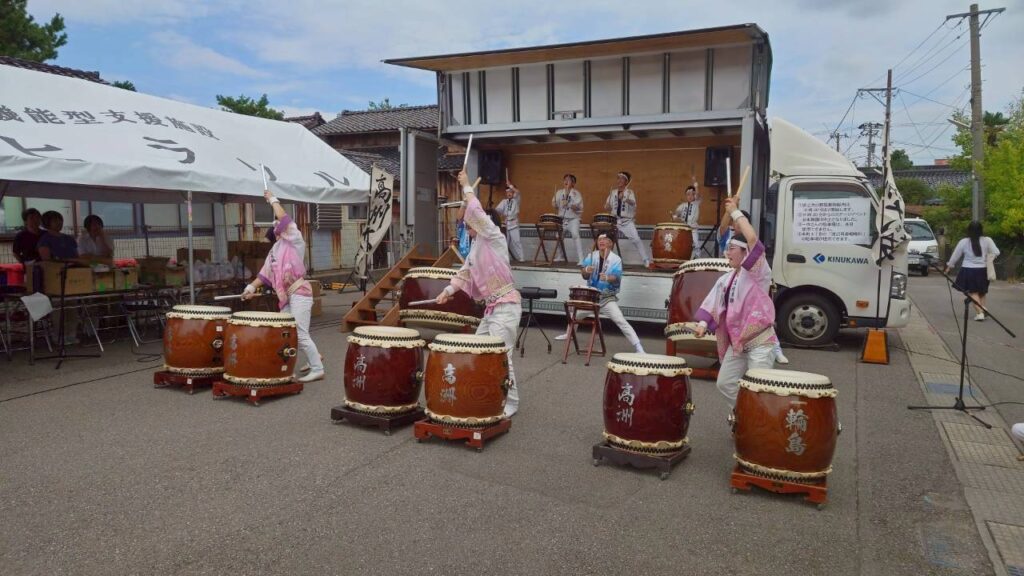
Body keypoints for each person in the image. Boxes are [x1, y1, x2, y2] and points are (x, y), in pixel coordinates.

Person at [436, 170, 523, 417]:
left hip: (506, 306)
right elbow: (465, 273)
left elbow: (478, 213)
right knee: (478, 348)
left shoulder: (495, 238)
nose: (466, 225)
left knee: (501, 354)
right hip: (492, 308)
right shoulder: (476, 247)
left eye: (468, 222)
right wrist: (447, 291)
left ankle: (511, 401)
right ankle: (486, 393)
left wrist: (466, 186)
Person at [693, 195, 778, 408]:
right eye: (728, 248)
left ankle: (758, 422)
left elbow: (752, 239)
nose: (727, 252)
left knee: (759, 390)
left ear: (745, 253)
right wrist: (702, 324)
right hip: (738, 343)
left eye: (731, 249)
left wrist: (735, 212)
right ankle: (744, 415)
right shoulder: (726, 279)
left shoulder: (758, 273)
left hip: (759, 342)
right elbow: (713, 303)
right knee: (725, 383)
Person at [242, 189, 324, 383]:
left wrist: (272, 199)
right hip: (286, 296)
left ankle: (317, 368)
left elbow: (283, 217)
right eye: (277, 227)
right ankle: (293, 365)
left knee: (299, 333)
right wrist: (250, 288)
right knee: (286, 333)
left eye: (280, 225)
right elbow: (264, 274)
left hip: (300, 292)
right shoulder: (274, 251)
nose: (279, 227)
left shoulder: (295, 241)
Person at [717, 204, 788, 364]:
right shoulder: (729, 237)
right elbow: (722, 227)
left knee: (757, 313)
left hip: (749, 285)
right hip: (730, 282)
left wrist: (735, 211)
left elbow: (753, 240)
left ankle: (775, 348)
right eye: (735, 222)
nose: (737, 225)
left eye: (740, 222)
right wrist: (730, 211)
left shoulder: (750, 248)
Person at [555, 233, 646, 354]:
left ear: (611, 243)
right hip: (591, 297)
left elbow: (617, 277)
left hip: (606, 298)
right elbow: (584, 274)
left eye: (604, 239)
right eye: (599, 239)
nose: (601, 241)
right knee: (574, 316)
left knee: (620, 320)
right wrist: (586, 270)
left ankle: (638, 347)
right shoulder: (592, 256)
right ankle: (569, 334)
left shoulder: (616, 259)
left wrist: (608, 277)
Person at [945, 221, 1000, 321]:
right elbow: (996, 252)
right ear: (981, 230)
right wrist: (988, 258)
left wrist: (949, 267)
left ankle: (980, 313)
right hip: (983, 270)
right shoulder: (987, 240)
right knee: (982, 292)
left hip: (968, 270)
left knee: (972, 292)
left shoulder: (964, 242)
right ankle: (983, 309)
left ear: (969, 230)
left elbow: (955, 255)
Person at [604, 171, 651, 268]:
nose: (619, 180)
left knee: (636, 239)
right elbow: (607, 207)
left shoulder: (629, 192)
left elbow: (633, 203)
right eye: (618, 178)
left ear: (626, 181)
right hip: (614, 221)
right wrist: (607, 206)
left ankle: (646, 260)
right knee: (608, 239)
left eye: (622, 178)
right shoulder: (613, 192)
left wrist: (625, 199)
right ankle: (605, 260)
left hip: (627, 221)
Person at [552, 174, 585, 264]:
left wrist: (569, 204)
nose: (566, 181)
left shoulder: (576, 194)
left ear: (573, 183)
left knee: (575, 235)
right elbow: (555, 204)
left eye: (569, 180)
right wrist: (555, 204)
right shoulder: (559, 192)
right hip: (562, 219)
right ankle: (561, 256)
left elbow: (579, 208)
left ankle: (581, 259)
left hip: (573, 219)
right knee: (558, 236)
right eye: (565, 180)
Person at [671, 179, 701, 260]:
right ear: (686, 195)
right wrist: (675, 216)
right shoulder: (683, 205)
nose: (690, 196)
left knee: (696, 244)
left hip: (693, 228)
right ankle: (683, 258)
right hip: (684, 228)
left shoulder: (696, 203)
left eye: (692, 194)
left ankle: (697, 258)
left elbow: (698, 195)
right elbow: (677, 213)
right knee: (683, 244)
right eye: (688, 194)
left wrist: (696, 185)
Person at [495, 183, 525, 261]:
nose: (509, 194)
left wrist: (510, 185)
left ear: (513, 193)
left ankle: (521, 257)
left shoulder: (516, 200)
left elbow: (518, 192)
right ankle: (505, 258)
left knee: (516, 241)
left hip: (514, 223)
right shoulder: (504, 201)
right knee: (505, 242)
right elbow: (498, 210)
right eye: (508, 192)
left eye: (511, 192)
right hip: (506, 224)